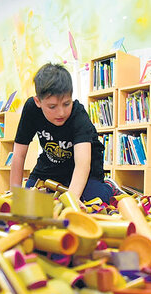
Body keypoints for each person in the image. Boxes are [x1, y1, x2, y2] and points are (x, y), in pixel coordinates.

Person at [10, 63, 124, 204]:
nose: (61, 113)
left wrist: (72, 204)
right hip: (51, 166)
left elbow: (83, 165)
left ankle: (109, 187)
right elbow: (19, 155)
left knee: (93, 199)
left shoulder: (78, 115)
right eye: (52, 106)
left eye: (66, 103)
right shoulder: (31, 109)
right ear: (38, 102)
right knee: (31, 200)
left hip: (87, 168)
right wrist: (14, 196)